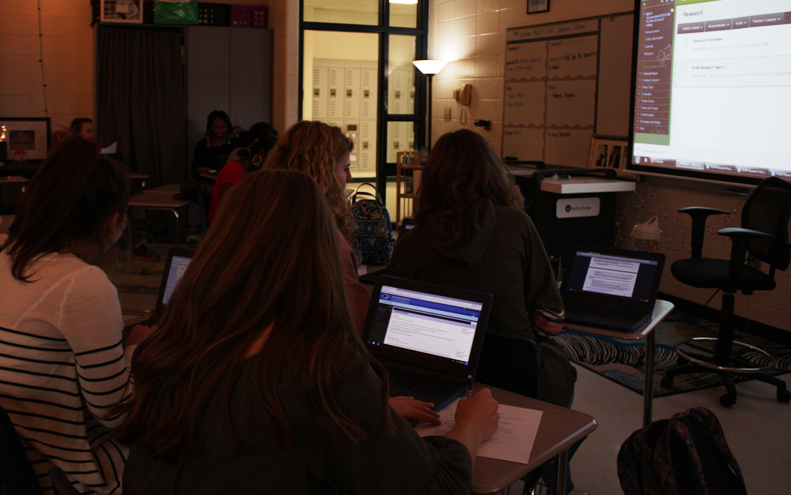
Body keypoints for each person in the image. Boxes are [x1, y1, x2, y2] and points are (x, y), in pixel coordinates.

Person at [118, 169, 501, 494]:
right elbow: (437, 485)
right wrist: (471, 425)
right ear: (318, 252)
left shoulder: (170, 349)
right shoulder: (321, 370)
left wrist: (369, 411)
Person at [0, 138, 152, 494]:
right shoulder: (83, 284)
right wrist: (135, 349)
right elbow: (116, 413)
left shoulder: (11, 257)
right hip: (55, 475)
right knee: (177, 429)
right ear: (113, 220)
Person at [385, 130, 577, 408]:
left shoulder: (411, 241)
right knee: (562, 368)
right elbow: (551, 317)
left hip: (439, 372)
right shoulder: (517, 224)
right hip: (516, 370)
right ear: (492, 171)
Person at [264, 120, 370, 330]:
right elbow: (355, 321)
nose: (349, 177)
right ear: (324, 172)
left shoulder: (260, 216)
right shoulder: (325, 239)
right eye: (346, 168)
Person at [208, 134, 278, 226]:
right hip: (224, 226)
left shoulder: (252, 172)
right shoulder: (234, 168)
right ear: (261, 155)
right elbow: (226, 206)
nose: (273, 165)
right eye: (273, 159)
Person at [191, 110, 235, 175]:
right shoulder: (202, 144)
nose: (219, 130)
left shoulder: (235, 142)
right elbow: (195, 166)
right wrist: (200, 169)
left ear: (227, 127)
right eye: (215, 127)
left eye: (222, 127)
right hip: (208, 179)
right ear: (210, 127)